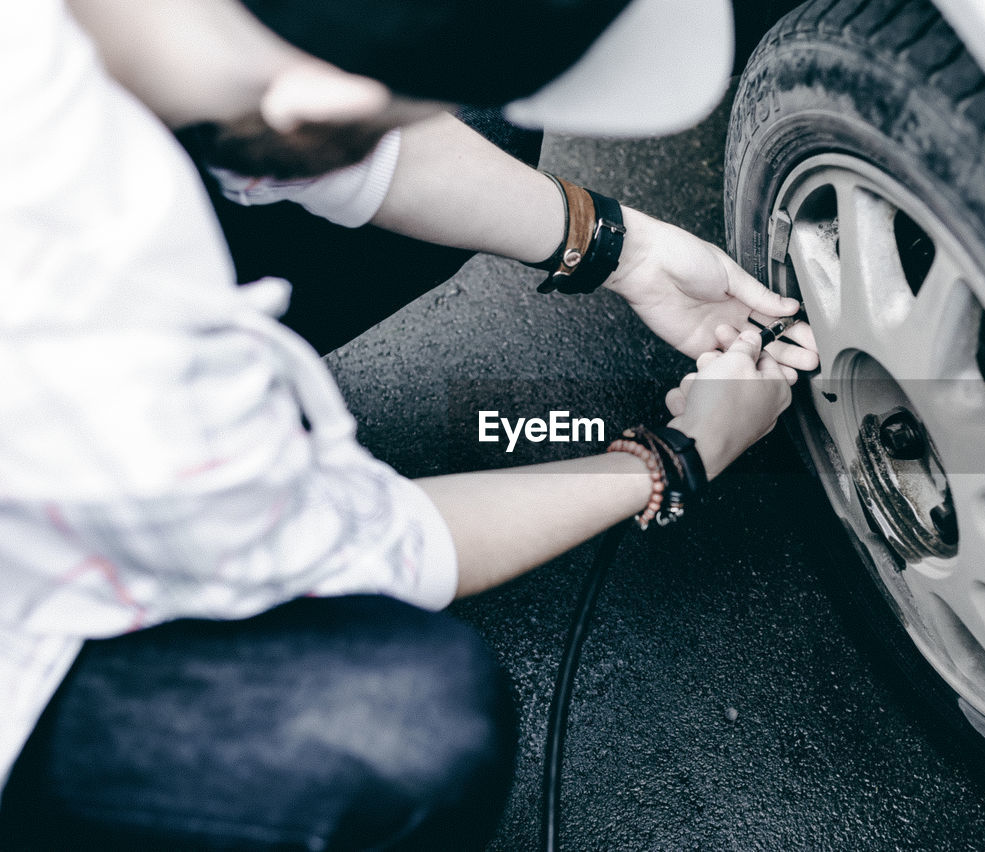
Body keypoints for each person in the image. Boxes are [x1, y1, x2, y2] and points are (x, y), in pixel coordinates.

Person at [0, 0, 818, 848]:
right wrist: (674, 458)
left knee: (481, 126)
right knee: (408, 728)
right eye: (385, 110)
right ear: (315, 97)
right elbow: (358, 549)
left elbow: (324, 131)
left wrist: (623, 248)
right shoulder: (95, 316)